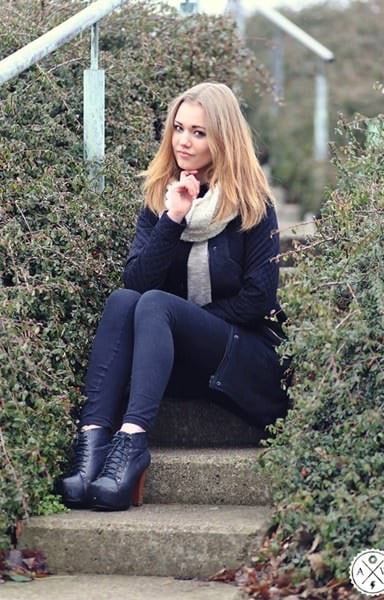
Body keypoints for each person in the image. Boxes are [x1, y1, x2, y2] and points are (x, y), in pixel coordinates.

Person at [58, 81, 290, 512]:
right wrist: (173, 219)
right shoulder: (160, 198)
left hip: (241, 356)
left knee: (156, 305)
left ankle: (132, 442)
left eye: (199, 132)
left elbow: (258, 299)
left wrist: (186, 321)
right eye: (179, 128)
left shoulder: (254, 205)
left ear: (223, 139)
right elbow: (136, 281)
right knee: (125, 301)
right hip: (177, 360)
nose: (184, 141)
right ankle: (93, 440)